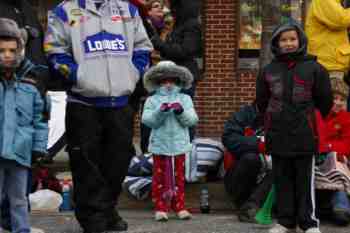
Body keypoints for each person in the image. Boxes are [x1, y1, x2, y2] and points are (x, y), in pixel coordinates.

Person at [44, 1, 153, 233]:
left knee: (118, 162)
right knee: (87, 164)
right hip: (83, 102)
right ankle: (92, 216)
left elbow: (143, 47)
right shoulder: (65, 10)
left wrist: (134, 74)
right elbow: (55, 50)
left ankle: (107, 208)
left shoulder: (128, 10)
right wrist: (78, 76)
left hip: (121, 101)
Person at [256, 19, 333, 233]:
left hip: (305, 135)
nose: (288, 43)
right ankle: (285, 221)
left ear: (300, 40)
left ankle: (308, 223)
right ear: (276, 44)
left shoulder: (315, 68)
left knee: (304, 181)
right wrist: (270, 122)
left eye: (292, 39)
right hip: (278, 133)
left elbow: (325, 101)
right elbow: (262, 102)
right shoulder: (268, 70)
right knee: (282, 180)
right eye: (284, 40)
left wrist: (309, 120)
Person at [0, 18, 49, 233]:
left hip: (21, 151)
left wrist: (39, 147)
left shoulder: (31, 80)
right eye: (1, 50)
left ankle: (22, 230)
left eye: (12, 49)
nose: (7, 55)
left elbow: (40, 119)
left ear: (20, 49)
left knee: (19, 198)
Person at [141, 61, 198, 221]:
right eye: (164, 81)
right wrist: (161, 112)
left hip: (179, 145)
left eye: (171, 80)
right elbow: (148, 121)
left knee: (178, 178)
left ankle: (179, 207)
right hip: (160, 145)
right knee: (159, 178)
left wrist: (180, 112)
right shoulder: (152, 100)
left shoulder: (185, 98)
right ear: (158, 82)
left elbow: (192, 120)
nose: (168, 84)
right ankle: (161, 208)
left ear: (178, 81)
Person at [150, 0, 202, 140]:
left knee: (183, 115)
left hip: (184, 79)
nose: (170, 10)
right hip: (173, 77)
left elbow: (185, 51)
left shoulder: (191, 25)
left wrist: (159, 44)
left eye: (173, 7)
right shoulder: (178, 25)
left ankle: (187, 148)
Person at [222, 101, 273, 223]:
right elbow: (229, 138)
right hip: (240, 179)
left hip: (270, 176)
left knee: (284, 166)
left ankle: (251, 207)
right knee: (251, 158)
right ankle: (244, 205)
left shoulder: (286, 114)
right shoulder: (246, 113)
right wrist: (258, 144)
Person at [305, 0, 350, 109]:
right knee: (335, 108)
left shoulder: (335, 3)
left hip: (333, 64)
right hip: (328, 66)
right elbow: (341, 19)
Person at [316, 85, 350, 226]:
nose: (338, 102)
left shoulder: (346, 118)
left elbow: (347, 143)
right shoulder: (319, 115)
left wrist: (330, 147)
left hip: (337, 157)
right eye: (335, 98)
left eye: (342, 99)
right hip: (318, 156)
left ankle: (341, 206)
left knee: (339, 168)